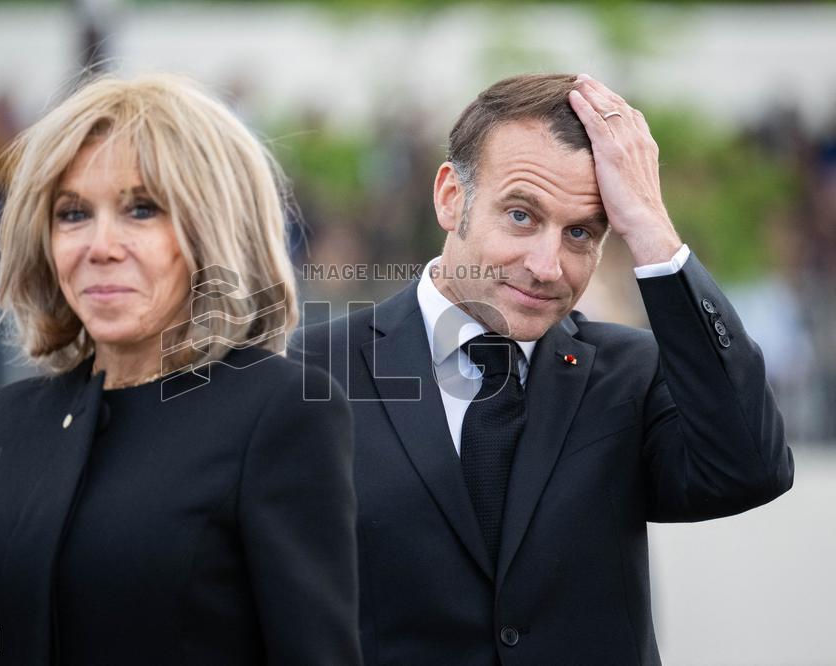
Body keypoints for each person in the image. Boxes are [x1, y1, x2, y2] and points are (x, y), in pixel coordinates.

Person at [291, 73, 794, 665]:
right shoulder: (309, 373)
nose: (547, 266)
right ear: (452, 198)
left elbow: (750, 468)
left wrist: (652, 228)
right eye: (522, 216)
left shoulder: (631, 375)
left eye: (581, 232)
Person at [0, 73, 362, 666]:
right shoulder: (2, 423)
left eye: (141, 210)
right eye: (72, 214)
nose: (100, 245)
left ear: (212, 229)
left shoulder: (279, 411)